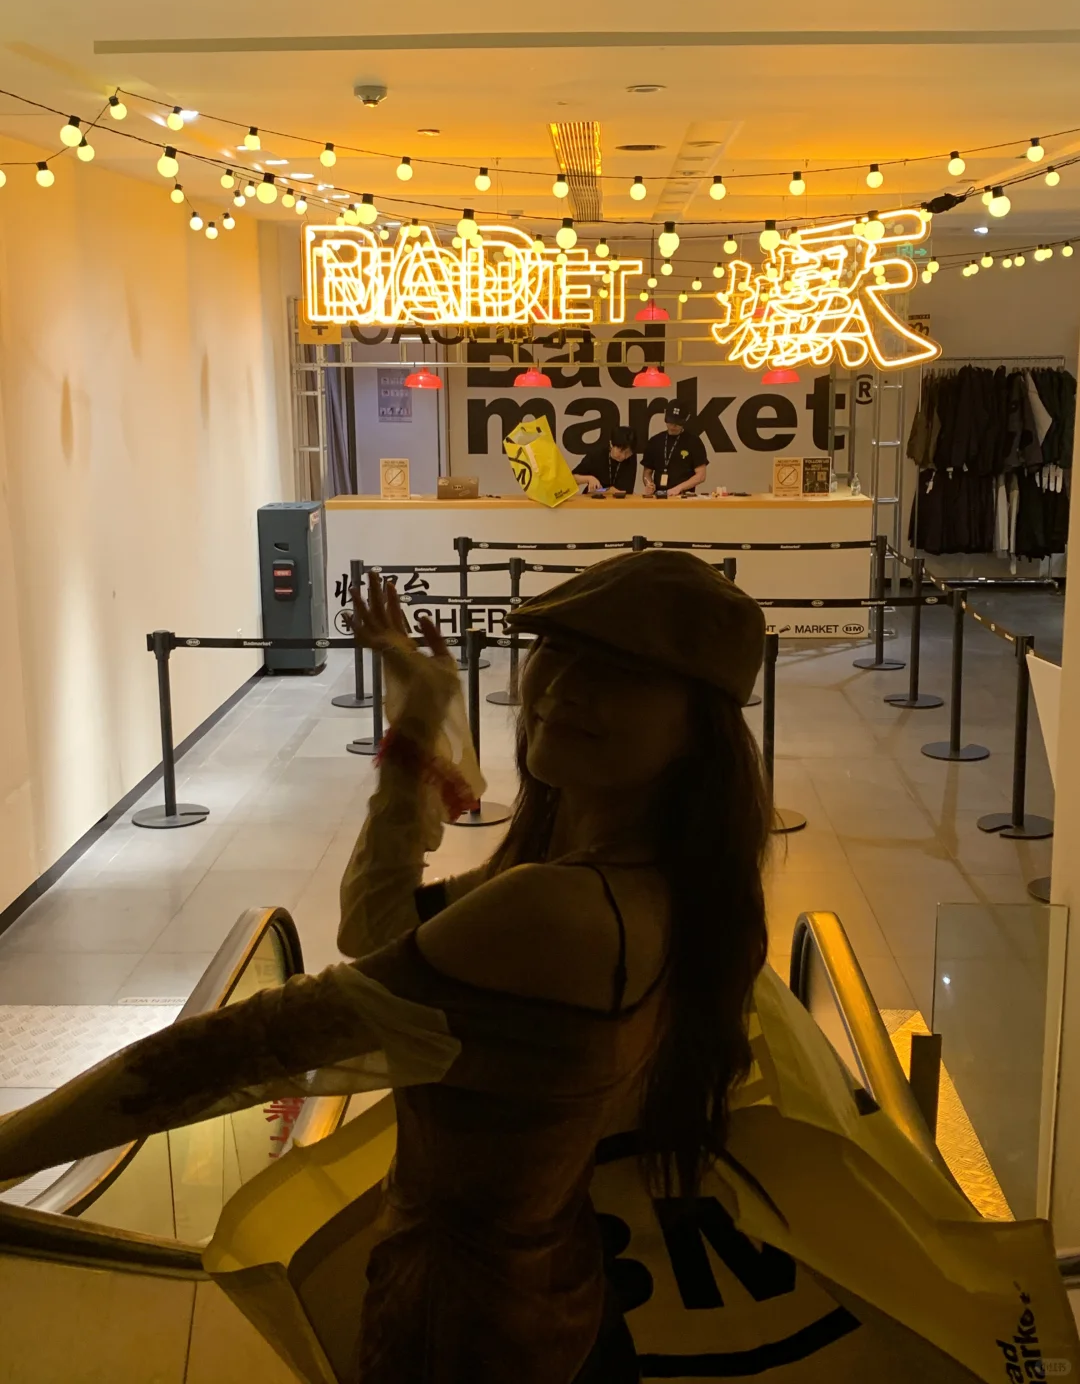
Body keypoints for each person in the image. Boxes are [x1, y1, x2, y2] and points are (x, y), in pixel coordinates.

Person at [0, 554, 770, 1384]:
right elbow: (380, 929)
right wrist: (421, 716)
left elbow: (231, 1052)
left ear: (699, 726)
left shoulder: (562, 910)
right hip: (556, 1311)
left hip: (464, 1341)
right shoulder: (643, 877)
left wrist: (10, 1148)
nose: (564, 686)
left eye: (621, 672)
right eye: (557, 648)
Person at [641, 405, 708, 498]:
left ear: (685, 419)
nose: (673, 426)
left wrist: (679, 488)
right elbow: (647, 472)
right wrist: (649, 484)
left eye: (677, 423)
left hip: (684, 496)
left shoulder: (694, 442)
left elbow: (701, 475)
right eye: (670, 422)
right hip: (659, 496)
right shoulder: (655, 441)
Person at [572, 427, 638, 495]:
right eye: (620, 451)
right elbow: (572, 478)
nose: (623, 456)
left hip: (617, 500)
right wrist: (589, 478)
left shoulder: (631, 458)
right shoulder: (596, 455)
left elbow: (626, 491)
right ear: (611, 444)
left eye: (627, 453)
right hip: (593, 498)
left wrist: (607, 490)